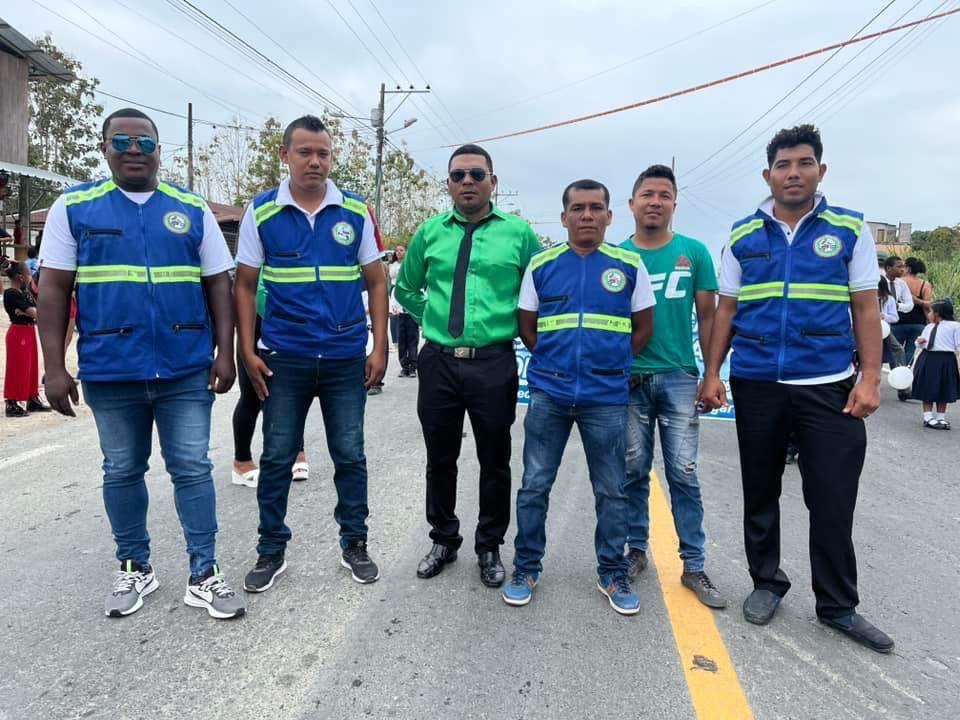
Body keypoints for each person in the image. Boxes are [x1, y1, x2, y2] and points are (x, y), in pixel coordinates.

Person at [37, 108, 245, 620]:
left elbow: (218, 285)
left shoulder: (190, 208)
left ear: (159, 150)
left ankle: (204, 572)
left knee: (192, 468)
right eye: (122, 141)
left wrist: (226, 352)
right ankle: (134, 566)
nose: (134, 150)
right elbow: (53, 290)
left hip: (184, 367)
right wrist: (54, 367)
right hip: (112, 369)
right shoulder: (74, 207)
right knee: (122, 470)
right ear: (104, 147)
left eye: (145, 142)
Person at [700, 124, 893, 653]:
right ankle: (767, 583)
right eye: (783, 165)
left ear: (820, 170)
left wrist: (870, 378)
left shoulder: (849, 229)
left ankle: (837, 605)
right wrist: (713, 373)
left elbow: (865, 308)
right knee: (760, 491)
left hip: (827, 386)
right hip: (758, 383)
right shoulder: (743, 234)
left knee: (832, 497)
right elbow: (727, 310)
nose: (793, 173)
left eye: (804, 163)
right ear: (768, 174)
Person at [234, 115, 387, 592]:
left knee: (350, 455)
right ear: (285, 155)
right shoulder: (261, 212)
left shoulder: (355, 212)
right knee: (278, 456)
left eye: (323, 153)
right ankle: (270, 549)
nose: (315, 161)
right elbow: (245, 285)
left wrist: (380, 347)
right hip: (285, 357)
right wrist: (246, 349)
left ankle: (355, 544)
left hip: (344, 358)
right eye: (304, 152)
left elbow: (376, 281)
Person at [501, 179, 655, 614]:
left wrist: (612, 364)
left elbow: (644, 327)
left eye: (595, 207)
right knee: (534, 486)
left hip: (606, 397)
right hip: (550, 393)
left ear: (609, 215)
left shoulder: (629, 265)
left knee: (611, 490)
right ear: (564, 216)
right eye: (578, 208)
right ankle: (526, 568)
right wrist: (554, 364)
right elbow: (527, 326)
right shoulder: (542, 264)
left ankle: (612, 572)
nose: (587, 215)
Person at [396, 144, 541, 588]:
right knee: (440, 458)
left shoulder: (519, 234)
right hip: (438, 362)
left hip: (493, 362)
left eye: (477, 174)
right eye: (458, 175)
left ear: (493, 181)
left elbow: (539, 290)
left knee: (494, 459)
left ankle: (489, 545)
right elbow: (405, 289)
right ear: (448, 184)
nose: (467, 182)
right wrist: (435, 318)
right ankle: (443, 539)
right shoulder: (429, 233)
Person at [618, 164, 725, 609]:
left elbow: (709, 318)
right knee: (632, 470)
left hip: (680, 377)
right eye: (647, 194)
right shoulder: (618, 256)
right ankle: (635, 551)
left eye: (664, 195)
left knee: (683, 473)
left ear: (674, 204)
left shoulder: (694, 253)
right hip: (629, 379)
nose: (655, 202)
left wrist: (712, 374)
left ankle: (694, 565)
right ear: (632, 204)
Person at [231, 271, 309, 489]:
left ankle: (297, 451)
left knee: (292, 391)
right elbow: (248, 287)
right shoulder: (251, 251)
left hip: (288, 322)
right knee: (252, 394)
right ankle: (242, 461)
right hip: (256, 322)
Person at [3, 262, 49, 417]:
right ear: (20, 277)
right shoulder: (11, 293)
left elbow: (35, 310)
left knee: (31, 366)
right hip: (18, 332)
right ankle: (11, 402)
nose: (31, 276)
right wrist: (29, 312)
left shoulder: (25, 293)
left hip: (28, 330)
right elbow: (36, 313)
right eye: (29, 273)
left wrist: (25, 312)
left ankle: (32, 398)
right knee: (17, 367)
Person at [912, 300, 960, 429]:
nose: (929, 314)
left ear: (938, 313)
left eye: (931, 311)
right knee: (928, 386)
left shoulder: (955, 326)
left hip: (946, 359)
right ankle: (928, 416)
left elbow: (958, 344)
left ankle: (940, 417)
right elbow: (918, 344)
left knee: (944, 386)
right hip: (928, 357)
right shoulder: (928, 327)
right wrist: (919, 341)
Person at [895, 257, 933, 366]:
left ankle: (896, 371)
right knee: (910, 351)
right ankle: (906, 371)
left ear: (908, 268)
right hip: (918, 322)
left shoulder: (897, 282)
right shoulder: (924, 284)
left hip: (898, 321)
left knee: (896, 350)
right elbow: (929, 304)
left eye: (903, 266)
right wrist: (919, 301)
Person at [391, 245, 420, 378]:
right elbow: (393, 289)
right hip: (399, 308)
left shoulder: (413, 266)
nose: (399, 252)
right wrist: (393, 306)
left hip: (411, 310)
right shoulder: (392, 267)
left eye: (401, 250)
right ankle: (404, 366)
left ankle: (413, 367)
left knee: (412, 340)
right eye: (397, 250)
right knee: (402, 340)